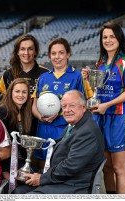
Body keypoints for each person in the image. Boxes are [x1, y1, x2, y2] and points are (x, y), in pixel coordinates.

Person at [81, 22, 125, 194]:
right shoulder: (101, 63)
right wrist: (88, 78)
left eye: (112, 36)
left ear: (119, 38)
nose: (108, 40)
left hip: (120, 117)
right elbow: (99, 90)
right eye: (105, 37)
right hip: (102, 116)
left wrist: (108, 105)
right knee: (106, 167)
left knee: (119, 168)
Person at [12, 90, 105, 194]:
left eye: (72, 106)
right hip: (63, 179)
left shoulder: (87, 132)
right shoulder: (75, 124)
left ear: (83, 107)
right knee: (18, 190)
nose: (67, 110)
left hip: (74, 185)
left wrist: (41, 178)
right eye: (64, 106)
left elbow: (70, 167)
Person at [32, 37, 85, 169]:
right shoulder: (43, 77)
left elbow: (83, 105)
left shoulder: (76, 76)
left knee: (61, 166)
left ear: (68, 54)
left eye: (61, 53)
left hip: (65, 130)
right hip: (44, 128)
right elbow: (34, 105)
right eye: (53, 53)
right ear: (49, 56)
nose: (57, 57)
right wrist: (40, 116)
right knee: (41, 166)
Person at [0, 78, 33, 182]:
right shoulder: (3, 112)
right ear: (11, 92)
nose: (21, 95)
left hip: (21, 162)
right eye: (17, 91)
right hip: (6, 165)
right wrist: (4, 171)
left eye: (24, 92)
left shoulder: (26, 113)